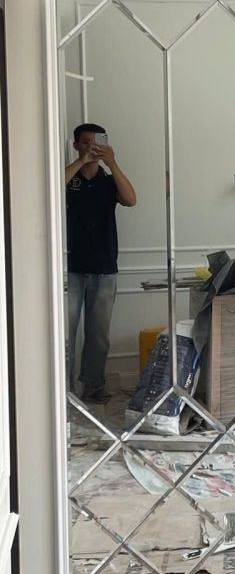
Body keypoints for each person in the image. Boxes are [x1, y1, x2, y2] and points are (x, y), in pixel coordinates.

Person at [65, 122, 137, 402]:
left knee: (98, 334)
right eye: (85, 142)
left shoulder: (109, 181)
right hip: (70, 268)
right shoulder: (68, 177)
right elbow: (48, 191)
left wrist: (113, 163)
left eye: (97, 142)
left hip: (104, 266)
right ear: (76, 145)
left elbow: (131, 200)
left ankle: (93, 387)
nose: (92, 148)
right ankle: (63, 391)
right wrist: (80, 161)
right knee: (66, 334)